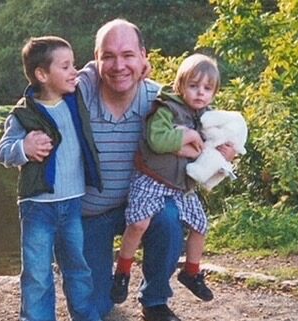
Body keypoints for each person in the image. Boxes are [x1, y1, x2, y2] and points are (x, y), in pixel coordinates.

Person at [77, 19, 198, 321]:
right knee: (93, 310)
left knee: (170, 218)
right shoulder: (80, 97)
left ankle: (154, 300)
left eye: (128, 55)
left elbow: (205, 119)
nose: (119, 65)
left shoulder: (161, 101)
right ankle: (105, 288)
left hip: (143, 205)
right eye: (108, 56)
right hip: (90, 214)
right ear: (95, 60)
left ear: (144, 57)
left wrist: (224, 147)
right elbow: (46, 89)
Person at [110, 53, 235, 305]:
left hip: (180, 186)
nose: (200, 93)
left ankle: (191, 272)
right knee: (139, 223)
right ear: (180, 85)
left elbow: (212, 149)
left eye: (207, 88)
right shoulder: (165, 109)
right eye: (193, 86)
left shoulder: (208, 118)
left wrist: (227, 154)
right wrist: (187, 137)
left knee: (200, 225)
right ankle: (122, 271)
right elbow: (157, 141)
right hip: (151, 179)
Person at [0, 36, 102, 321]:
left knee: (78, 268)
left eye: (73, 64)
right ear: (42, 74)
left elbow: (96, 68)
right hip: (37, 207)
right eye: (65, 66)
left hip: (74, 203)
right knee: (37, 274)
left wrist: (141, 66)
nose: (73, 71)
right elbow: (2, 152)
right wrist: (24, 148)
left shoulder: (75, 99)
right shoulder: (23, 114)